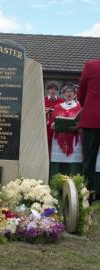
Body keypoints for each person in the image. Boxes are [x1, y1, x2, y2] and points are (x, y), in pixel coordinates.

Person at [77, 59, 100, 201]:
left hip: (92, 118)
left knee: (89, 161)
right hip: (91, 118)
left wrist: (90, 105)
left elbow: (80, 94)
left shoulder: (91, 65)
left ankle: (87, 198)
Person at [49, 84, 82, 178]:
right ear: (63, 94)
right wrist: (54, 125)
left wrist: (78, 126)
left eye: (71, 91)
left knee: (73, 166)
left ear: (75, 94)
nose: (69, 93)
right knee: (58, 165)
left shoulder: (80, 107)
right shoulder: (57, 107)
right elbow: (52, 122)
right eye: (66, 91)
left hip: (74, 140)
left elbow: (82, 121)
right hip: (59, 139)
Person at [44, 81, 64, 156]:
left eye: (55, 89)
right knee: (45, 143)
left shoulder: (61, 101)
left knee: (55, 144)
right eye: (51, 89)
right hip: (45, 126)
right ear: (48, 90)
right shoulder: (43, 100)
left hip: (56, 126)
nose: (53, 91)